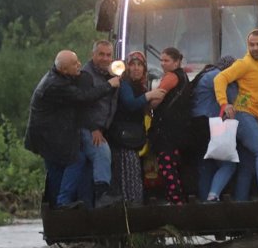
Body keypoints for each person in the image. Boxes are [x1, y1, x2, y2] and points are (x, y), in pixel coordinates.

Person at [24, 50, 120, 209]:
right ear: (63, 69)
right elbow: (83, 97)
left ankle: (59, 206)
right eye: (74, 64)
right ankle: (63, 203)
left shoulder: (59, 77)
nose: (79, 66)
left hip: (48, 134)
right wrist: (109, 84)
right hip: (47, 135)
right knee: (76, 159)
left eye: (78, 61)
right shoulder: (56, 85)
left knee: (58, 169)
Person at [210, 29, 258, 201]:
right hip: (243, 115)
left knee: (247, 166)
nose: (255, 48)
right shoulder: (244, 63)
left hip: (254, 120)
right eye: (251, 45)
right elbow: (220, 79)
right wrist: (224, 103)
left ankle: (240, 204)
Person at [108, 51, 165, 206]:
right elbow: (131, 104)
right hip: (123, 139)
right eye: (132, 65)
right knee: (128, 175)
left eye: (140, 65)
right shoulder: (125, 83)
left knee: (136, 174)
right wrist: (150, 95)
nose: (136, 68)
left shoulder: (140, 85)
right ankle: (131, 207)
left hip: (134, 137)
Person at [79, 40, 122, 208]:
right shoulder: (85, 75)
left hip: (103, 127)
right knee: (102, 152)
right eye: (101, 54)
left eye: (108, 55)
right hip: (88, 127)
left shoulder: (110, 73)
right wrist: (94, 129)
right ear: (93, 55)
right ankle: (102, 196)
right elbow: (82, 103)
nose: (105, 58)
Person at [189, 55, 237, 201]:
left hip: (196, 123)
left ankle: (205, 202)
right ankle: (213, 194)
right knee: (229, 163)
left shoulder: (205, 74)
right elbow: (234, 96)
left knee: (206, 166)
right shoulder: (219, 76)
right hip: (210, 123)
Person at [148, 47, 191, 205]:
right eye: (161, 60)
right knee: (176, 166)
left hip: (166, 131)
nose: (162, 64)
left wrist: (145, 102)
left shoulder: (171, 77)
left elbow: (156, 100)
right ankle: (180, 199)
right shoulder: (184, 77)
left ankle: (174, 200)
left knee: (167, 166)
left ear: (177, 61)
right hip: (180, 129)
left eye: (166, 60)